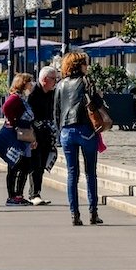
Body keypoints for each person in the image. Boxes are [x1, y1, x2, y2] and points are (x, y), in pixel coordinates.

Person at [53, 51, 103, 226]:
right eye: (85, 63)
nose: (86, 66)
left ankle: (74, 213)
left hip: (66, 131)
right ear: (80, 65)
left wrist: (60, 133)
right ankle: (93, 212)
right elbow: (96, 103)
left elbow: (56, 112)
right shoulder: (86, 81)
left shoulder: (60, 85)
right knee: (90, 172)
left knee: (72, 173)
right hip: (85, 129)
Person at [24, 66, 57, 204]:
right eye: (54, 79)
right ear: (44, 80)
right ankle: (33, 194)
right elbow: (27, 116)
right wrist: (32, 137)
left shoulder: (52, 93)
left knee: (42, 164)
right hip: (34, 134)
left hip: (47, 133)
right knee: (35, 164)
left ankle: (36, 193)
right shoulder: (32, 94)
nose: (56, 82)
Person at [1, 73, 35, 206]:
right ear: (23, 83)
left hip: (25, 134)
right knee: (14, 166)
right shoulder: (15, 98)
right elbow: (6, 108)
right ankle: (12, 196)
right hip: (17, 135)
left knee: (25, 166)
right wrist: (13, 123)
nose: (31, 85)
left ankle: (19, 194)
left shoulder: (23, 98)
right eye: (29, 82)